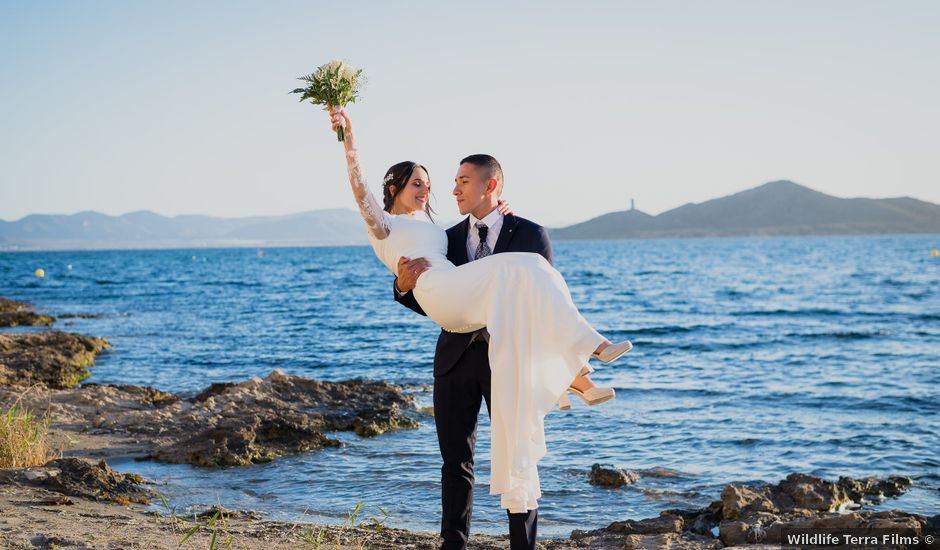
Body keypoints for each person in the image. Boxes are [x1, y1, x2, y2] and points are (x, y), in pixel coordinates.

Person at [326, 108, 632, 549]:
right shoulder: (445, 235)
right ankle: (580, 367)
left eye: (455, 182)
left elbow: (534, 303)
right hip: (457, 355)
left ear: (492, 186)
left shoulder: (529, 233)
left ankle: (522, 544)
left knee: (519, 449)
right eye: (426, 184)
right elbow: (421, 285)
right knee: (456, 463)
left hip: (508, 354)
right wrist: (400, 285)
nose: (443, 191)